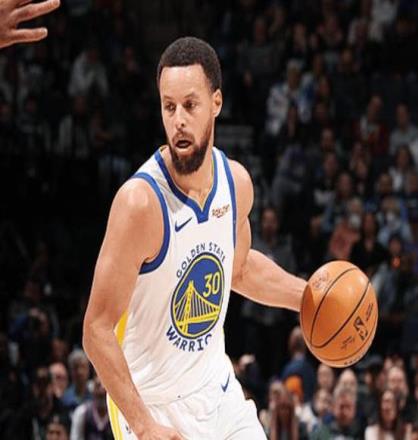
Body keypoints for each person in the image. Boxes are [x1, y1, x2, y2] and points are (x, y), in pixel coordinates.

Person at [82, 37, 306, 440]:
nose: (179, 120)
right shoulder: (139, 204)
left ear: (216, 103)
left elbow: (238, 269)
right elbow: (96, 330)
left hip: (217, 392)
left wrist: (307, 298)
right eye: (169, 107)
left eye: (190, 105)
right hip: (150, 404)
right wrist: (144, 425)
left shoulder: (236, 184)